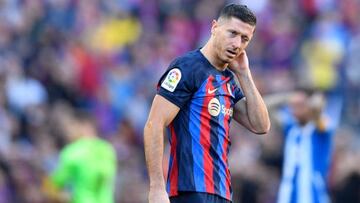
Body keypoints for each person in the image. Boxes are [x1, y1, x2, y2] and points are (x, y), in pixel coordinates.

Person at [144, 4, 270, 203]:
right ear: (214, 27)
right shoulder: (188, 67)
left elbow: (260, 125)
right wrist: (157, 188)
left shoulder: (228, 80)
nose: (237, 44)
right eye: (233, 33)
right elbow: (154, 124)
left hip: (222, 192)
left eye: (244, 39)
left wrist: (244, 74)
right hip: (190, 190)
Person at [265, 89, 338, 203]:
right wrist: (287, 97)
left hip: (312, 192)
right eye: (294, 106)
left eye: (300, 106)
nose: (295, 110)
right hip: (288, 192)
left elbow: (318, 112)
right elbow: (264, 107)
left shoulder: (319, 128)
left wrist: (312, 103)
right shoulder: (291, 127)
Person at [48, 110, 117, 203]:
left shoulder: (71, 152)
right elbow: (107, 176)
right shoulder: (106, 148)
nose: (68, 132)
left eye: (72, 126)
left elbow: (55, 183)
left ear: (82, 126)